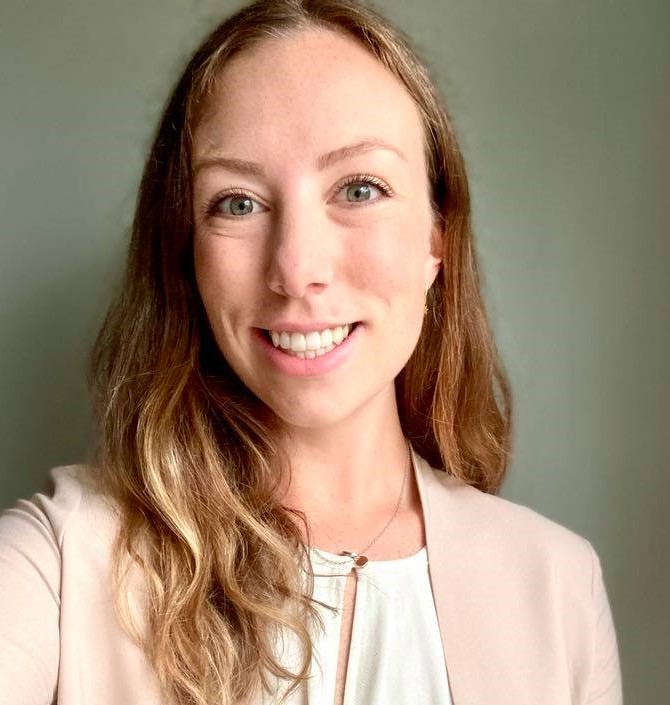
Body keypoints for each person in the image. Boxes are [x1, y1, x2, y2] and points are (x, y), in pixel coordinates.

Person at [0, 1, 623, 704]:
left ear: (436, 238)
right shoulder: (60, 559)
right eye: (236, 202)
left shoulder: (560, 586)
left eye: (360, 188)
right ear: (186, 252)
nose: (296, 269)